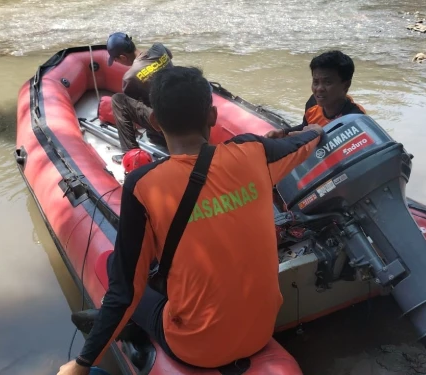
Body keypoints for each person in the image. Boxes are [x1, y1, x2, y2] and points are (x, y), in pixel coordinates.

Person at [57, 66, 324, 375]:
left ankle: (124, 334)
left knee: (112, 264)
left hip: (196, 348)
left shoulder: (143, 185)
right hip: (262, 330)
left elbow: (124, 292)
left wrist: (82, 363)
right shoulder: (255, 152)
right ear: (212, 116)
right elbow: (305, 142)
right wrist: (315, 130)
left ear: (155, 121)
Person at [106, 32, 174, 163]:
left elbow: (135, 103)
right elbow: (170, 56)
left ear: (122, 57)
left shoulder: (130, 76)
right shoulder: (159, 48)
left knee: (119, 101)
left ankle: (129, 152)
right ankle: (157, 136)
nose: (115, 62)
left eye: (115, 59)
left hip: (166, 123)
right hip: (184, 110)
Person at [266, 50, 366, 139]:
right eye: (316, 82)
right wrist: (283, 132)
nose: (319, 89)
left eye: (327, 82)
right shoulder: (312, 103)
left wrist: (316, 136)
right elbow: (305, 126)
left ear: (346, 85)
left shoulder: (356, 117)